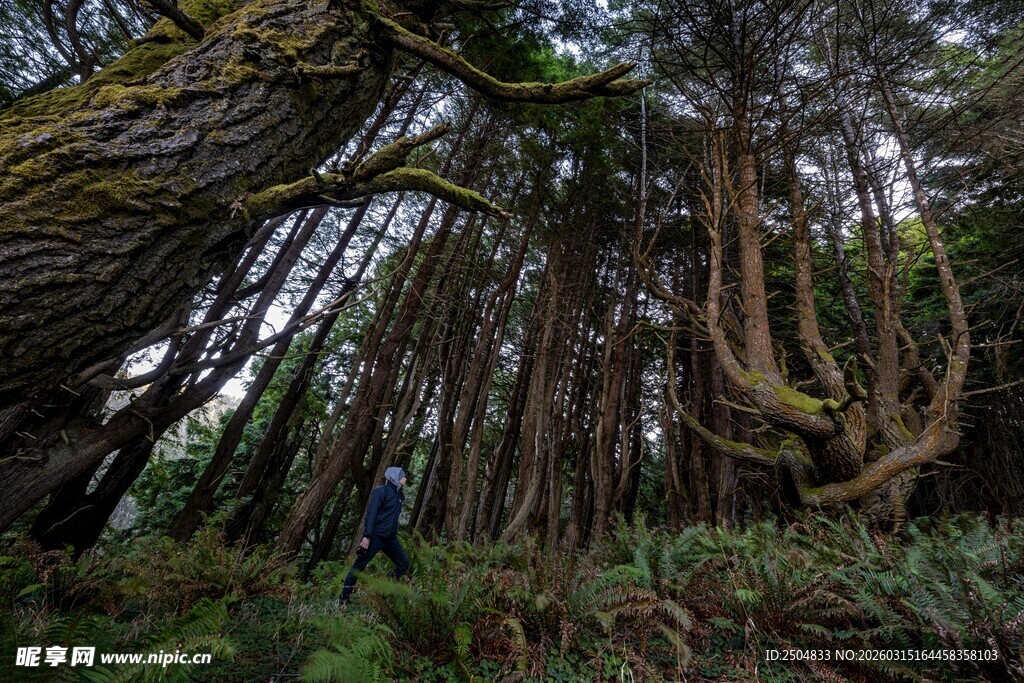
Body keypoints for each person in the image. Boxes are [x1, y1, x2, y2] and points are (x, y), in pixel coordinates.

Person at [339, 466, 410, 606]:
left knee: (404, 563)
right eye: (402, 476)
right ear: (394, 478)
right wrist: (367, 536)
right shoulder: (380, 492)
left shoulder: (399, 495)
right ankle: (344, 598)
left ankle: (382, 592)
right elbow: (371, 514)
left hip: (390, 538)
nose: (405, 478)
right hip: (376, 536)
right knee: (359, 565)